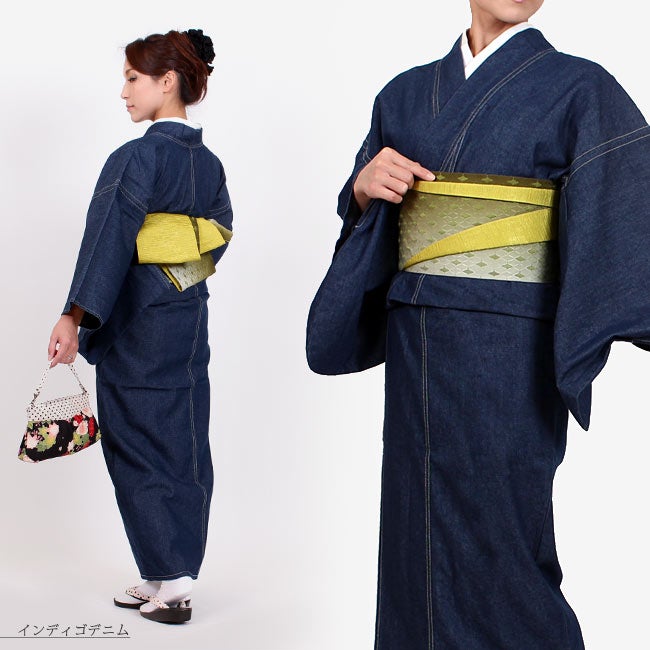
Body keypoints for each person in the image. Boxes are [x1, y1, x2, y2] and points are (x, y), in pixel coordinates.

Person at [308, 1, 650, 648]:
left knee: (504, 540)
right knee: (413, 531)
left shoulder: (581, 87)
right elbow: (370, 223)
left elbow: (628, 203)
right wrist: (361, 189)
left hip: (512, 350)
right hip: (417, 343)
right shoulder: (404, 95)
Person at [47, 28, 233, 624]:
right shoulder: (209, 165)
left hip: (136, 328)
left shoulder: (136, 158)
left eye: (132, 78)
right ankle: (164, 572)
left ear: (166, 81)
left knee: (135, 443)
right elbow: (219, 235)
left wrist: (74, 315)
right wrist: (171, 279)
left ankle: (172, 583)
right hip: (187, 322)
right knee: (181, 440)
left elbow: (107, 241)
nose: (124, 92)